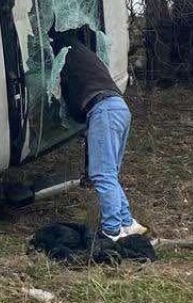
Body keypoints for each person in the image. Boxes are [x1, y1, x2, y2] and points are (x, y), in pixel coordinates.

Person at [49, 25, 147, 242]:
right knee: (110, 173)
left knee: (102, 174)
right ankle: (128, 223)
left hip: (103, 109)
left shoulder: (62, 53)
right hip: (119, 107)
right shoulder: (81, 51)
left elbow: (63, 95)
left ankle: (111, 231)